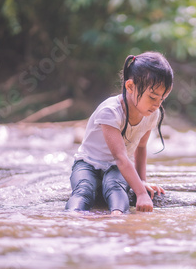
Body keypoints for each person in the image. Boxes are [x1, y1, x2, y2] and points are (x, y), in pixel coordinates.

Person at [65, 52, 173, 215]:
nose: (157, 105)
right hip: (88, 164)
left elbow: (141, 147)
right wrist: (141, 193)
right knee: (84, 190)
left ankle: (118, 221)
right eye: (152, 97)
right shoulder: (110, 112)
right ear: (130, 87)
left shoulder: (151, 114)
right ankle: (72, 218)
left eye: (162, 99)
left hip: (117, 169)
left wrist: (141, 182)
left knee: (115, 187)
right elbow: (121, 157)